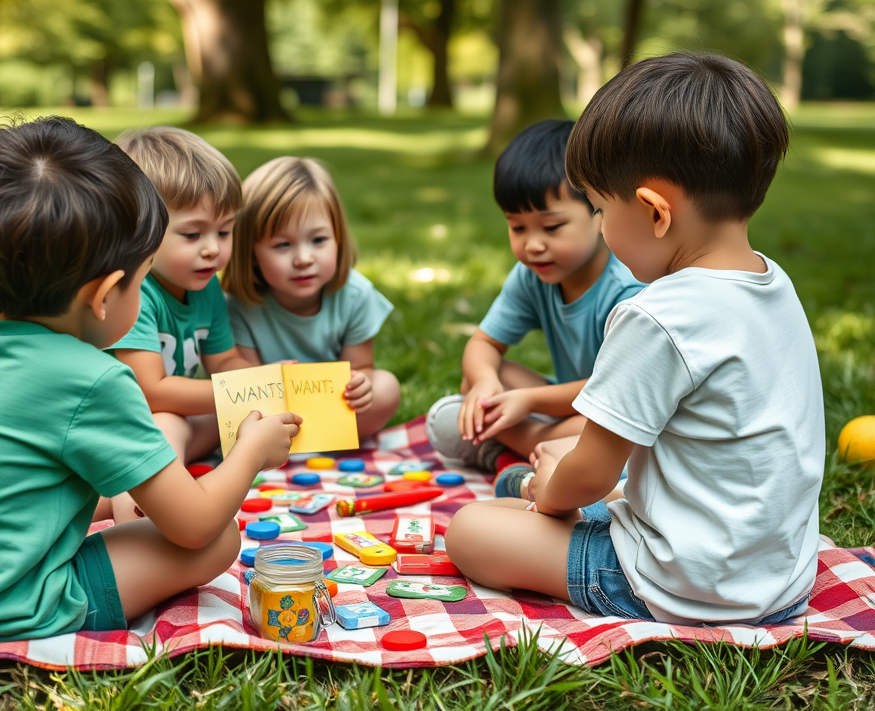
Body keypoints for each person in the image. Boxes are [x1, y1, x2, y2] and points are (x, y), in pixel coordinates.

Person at [0, 117, 300, 645]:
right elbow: (196, 524)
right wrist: (251, 449)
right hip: (7, 607)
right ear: (107, 292)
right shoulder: (97, 381)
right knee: (218, 540)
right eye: (143, 274)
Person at [446, 53, 824, 626]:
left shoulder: (656, 315)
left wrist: (548, 489)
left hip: (685, 583)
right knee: (524, 487)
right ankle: (520, 480)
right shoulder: (773, 284)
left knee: (471, 529)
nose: (600, 225)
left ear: (654, 211)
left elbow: (593, 474)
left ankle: (522, 480)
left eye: (598, 208)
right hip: (780, 577)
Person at [425, 120, 643, 472]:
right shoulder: (532, 276)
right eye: (517, 227)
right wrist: (484, 382)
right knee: (477, 378)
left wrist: (528, 401)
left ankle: (510, 448)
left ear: (600, 213)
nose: (533, 245)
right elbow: (484, 344)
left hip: (622, 411)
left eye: (552, 227)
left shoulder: (629, 288)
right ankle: (542, 451)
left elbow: (617, 390)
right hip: (572, 406)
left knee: (611, 436)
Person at [109, 127, 252, 522]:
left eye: (225, 231)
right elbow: (151, 393)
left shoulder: (204, 284)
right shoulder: (134, 291)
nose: (213, 248)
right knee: (169, 421)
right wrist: (235, 394)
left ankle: (118, 491)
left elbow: (225, 361)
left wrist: (260, 385)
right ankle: (138, 512)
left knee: (240, 421)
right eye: (193, 234)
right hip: (122, 423)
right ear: (139, 231)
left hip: (177, 425)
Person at [223, 157, 400, 442]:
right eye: (282, 245)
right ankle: (286, 444)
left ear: (338, 238)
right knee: (213, 412)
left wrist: (361, 384)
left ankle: (320, 440)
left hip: (334, 410)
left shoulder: (355, 295)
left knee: (386, 387)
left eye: (318, 241)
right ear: (250, 252)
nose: (304, 259)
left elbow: (362, 367)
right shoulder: (238, 306)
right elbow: (246, 389)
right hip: (269, 414)